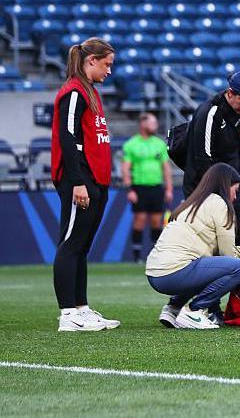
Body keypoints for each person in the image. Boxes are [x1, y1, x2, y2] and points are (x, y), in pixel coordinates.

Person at [50, 37, 119, 332]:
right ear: (91, 60)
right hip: (80, 179)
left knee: (82, 246)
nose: (109, 71)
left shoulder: (90, 92)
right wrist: (78, 181)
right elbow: (67, 136)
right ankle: (68, 314)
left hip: (96, 179)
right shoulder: (74, 92)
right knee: (70, 244)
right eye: (107, 64)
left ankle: (81, 308)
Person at [147, 163, 240, 329]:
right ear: (225, 186)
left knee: (204, 266)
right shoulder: (221, 204)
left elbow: (217, 256)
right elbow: (228, 256)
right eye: (235, 190)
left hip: (154, 273)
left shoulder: (191, 202)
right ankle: (195, 310)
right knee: (239, 267)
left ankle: (173, 308)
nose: (236, 197)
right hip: (175, 272)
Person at [184, 70, 240, 245]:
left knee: (239, 238)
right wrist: (222, 187)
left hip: (233, 181)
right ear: (230, 93)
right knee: (207, 242)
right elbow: (202, 156)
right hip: (202, 182)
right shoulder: (210, 112)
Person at [122, 112, 173, 262]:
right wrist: (129, 189)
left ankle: (155, 255)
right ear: (143, 124)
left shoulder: (159, 144)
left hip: (157, 187)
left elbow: (166, 168)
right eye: (153, 123)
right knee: (140, 219)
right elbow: (125, 168)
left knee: (157, 220)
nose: (155, 126)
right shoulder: (131, 144)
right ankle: (137, 256)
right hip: (139, 187)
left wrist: (169, 188)